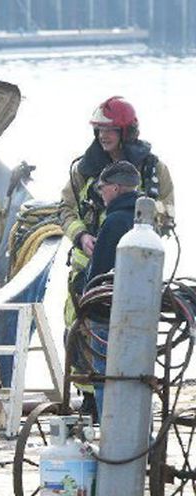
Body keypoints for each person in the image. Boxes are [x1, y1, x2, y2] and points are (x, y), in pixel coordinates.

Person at [58, 96, 174, 417]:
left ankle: (127, 399)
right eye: (98, 130)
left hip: (136, 269)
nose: (102, 136)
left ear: (127, 131)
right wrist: (82, 236)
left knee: (131, 334)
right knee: (79, 331)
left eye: (109, 130)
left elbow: (168, 213)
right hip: (87, 268)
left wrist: (141, 222)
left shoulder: (154, 169)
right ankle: (91, 399)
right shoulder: (83, 169)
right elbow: (65, 209)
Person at [82, 161, 146, 417]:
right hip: (140, 316)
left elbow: (100, 273)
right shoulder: (143, 223)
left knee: (105, 378)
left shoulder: (115, 221)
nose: (101, 193)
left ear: (116, 188)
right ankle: (140, 440)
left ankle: (112, 440)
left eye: (103, 188)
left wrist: (87, 308)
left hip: (107, 318)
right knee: (136, 380)